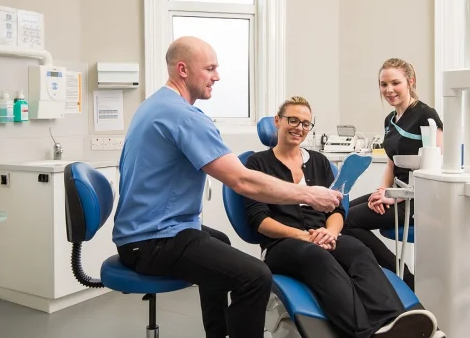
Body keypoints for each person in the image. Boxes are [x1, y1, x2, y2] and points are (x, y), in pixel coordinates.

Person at [112, 36, 343, 338]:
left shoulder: (154, 105)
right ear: (183, 69)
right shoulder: (184, 117)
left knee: (219, 241)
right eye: (210, 69)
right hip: (153, 240)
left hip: (140, 232)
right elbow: (241, 180)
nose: (217, 76)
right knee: (256, 276)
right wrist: (309, 193)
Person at [243, 96, 440, 338]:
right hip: (282, 244)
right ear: (277, 121)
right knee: (318, 257)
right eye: (292, 120)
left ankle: (394, 322)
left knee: (358, 250)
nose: (299, 128)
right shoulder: (257, 163)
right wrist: (304, 236)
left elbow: (337, 210)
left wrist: (331, 232)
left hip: (323, 236)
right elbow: (259, 220)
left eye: (305, 123)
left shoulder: (318, 161)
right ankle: (364, 333)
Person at [342, 58, 443, 291]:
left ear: (410, 82)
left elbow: (437, 167)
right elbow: (391, 164)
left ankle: (403, 277)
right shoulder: (390, 120)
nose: (389, 90)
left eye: (395, 83)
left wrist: (393, 197)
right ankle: (378, 275)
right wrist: (382, 191)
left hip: (417, 198)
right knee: (339, 212)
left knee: (346, 223)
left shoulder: (426, 115)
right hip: (395, 192)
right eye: (383, 84)